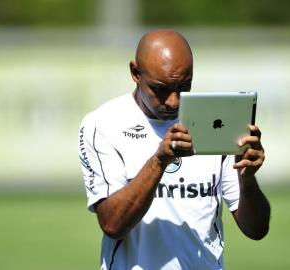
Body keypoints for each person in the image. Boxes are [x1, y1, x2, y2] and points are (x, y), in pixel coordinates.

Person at [78, 30, 270, 270]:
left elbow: (256, 230)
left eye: (183, 86)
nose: (174, 101)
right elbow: (112, 224)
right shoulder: (103, 124)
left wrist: (248, 180)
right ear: (136, 73)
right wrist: (160, 160)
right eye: (161, 88)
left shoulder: (215, 120)